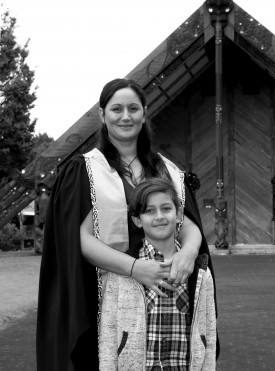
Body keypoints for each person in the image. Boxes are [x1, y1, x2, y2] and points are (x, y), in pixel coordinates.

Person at [36, 78, 219, 370]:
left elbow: (187, 224)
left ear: (144, 113)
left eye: (133, 108)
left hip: (166, 285)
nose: (125, 116)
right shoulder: (84, 170)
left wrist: (188, 253)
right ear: (102, 115)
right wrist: (135, 268)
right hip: (107, 293)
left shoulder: (167, 170)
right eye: (116, 108)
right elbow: (79, 239)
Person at [99, 178, 217, 370]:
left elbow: (209, 332)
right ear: (137, 220)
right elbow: (108, 336)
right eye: (149, 211)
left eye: (166, 209)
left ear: (179, 214)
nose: (159, 216)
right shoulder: (119, 273)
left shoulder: (201, 272)